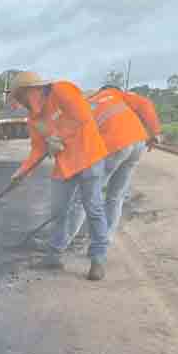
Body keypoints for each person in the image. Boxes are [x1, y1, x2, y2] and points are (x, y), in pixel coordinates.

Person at [8, 71, 111, 281]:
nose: (21, 102)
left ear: (34, 90)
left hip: (89, 157)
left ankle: (98, 259)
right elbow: (37, 150)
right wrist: (22, 172)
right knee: (58, 210)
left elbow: (81, 116)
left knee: (93, 208)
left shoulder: (61, 90)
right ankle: (53, 256)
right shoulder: (34, 120)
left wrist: (57, 136)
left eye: (21, 96)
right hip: (65, 166)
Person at [60, 86, 162, 245]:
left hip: (115, 145)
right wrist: (154, 132)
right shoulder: (119, 97)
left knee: (85, 197)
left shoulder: (91, 102)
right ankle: (104, 242)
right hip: (138, 143)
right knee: (116, 196)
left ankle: (62, 242)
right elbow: (146, 104)